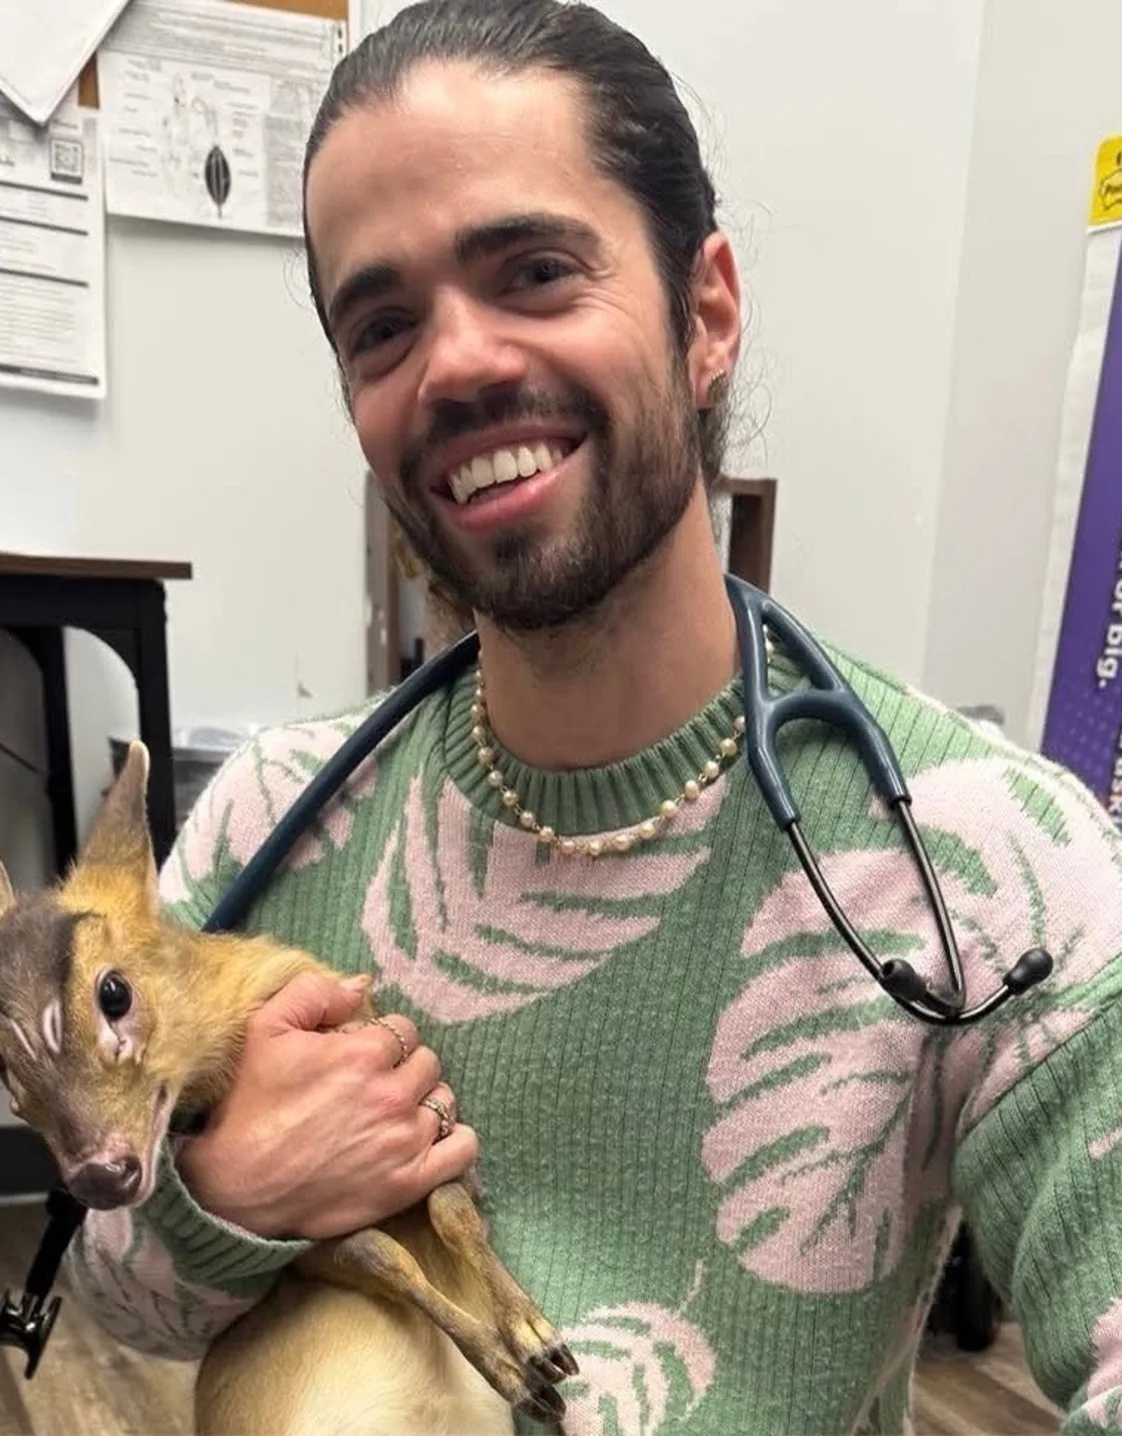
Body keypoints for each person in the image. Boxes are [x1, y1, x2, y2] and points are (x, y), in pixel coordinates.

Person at [67, 1, 1122, 1431]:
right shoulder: (271, 826)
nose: (453, 365)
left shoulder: (989, 861)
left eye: (537, 272)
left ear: (705, 315)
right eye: (382, 325)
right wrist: (222, 1196)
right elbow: (113, 1299)